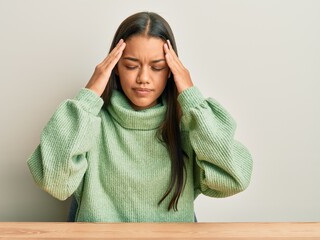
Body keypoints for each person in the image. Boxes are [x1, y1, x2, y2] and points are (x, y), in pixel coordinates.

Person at [27, 11, 253, 222]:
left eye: (157, 67)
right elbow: (53, 180)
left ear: (171, 71)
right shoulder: (90, 122)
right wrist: (89, 94)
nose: (143, 78)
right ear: (115, 66)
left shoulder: (188, 125)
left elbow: (235, 179)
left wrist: (192, 98)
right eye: (131, 65)